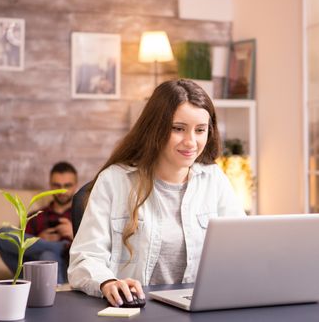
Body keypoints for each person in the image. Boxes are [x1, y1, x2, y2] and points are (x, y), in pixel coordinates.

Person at [68, 79, 245, 306]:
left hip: (200, 309)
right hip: (136, 311)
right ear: (156, 128)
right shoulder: (114, 181)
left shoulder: (213, 179)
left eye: (200, 130)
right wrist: (107, 282)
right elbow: (85, 258)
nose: (191, 142)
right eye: (178, 129)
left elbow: (242, 252)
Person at [0, 161, 78, 284]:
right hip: (33, 270)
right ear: (50, 185)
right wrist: (38, 240)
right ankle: (58, 247)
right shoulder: (35, 216)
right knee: (0, 233)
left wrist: (73, 235)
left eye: (67, 185)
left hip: (68, 269)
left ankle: (55, 250)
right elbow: (20, 253)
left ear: (76, 185)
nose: (61, 191)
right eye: (57, 185)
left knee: (47, 256)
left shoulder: (82, 214)